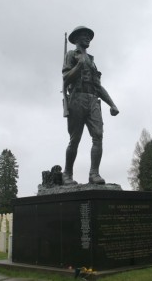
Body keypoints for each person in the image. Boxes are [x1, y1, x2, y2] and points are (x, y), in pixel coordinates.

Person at [62, 26, 119, 185]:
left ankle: (94, 174)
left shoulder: (92, 61)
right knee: (75, 139)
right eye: (84, 35)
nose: (87, 38)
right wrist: (79, 66)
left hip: (93, 100)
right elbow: (66, 78)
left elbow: (98, 86)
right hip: (77, 98)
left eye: (89, 36)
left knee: (98, 136)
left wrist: (112, 104)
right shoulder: (71, 55)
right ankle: (67, 174)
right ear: (76, 38)